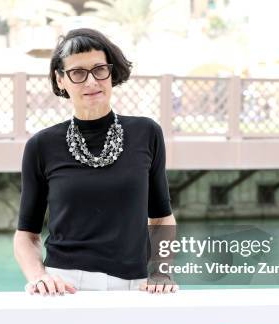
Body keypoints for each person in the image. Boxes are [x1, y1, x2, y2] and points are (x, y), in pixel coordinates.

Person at [13, 28, 178, 296]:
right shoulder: (41, 145)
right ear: (61, 79)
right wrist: (38, 277)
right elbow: (26, 236)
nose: (91, 82)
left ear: (111, 74)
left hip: (135, 286)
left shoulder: (147, 133)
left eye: (99, 69)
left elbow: (161, 219)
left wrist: (161, 270)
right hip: (63, 288)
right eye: (78, 73)